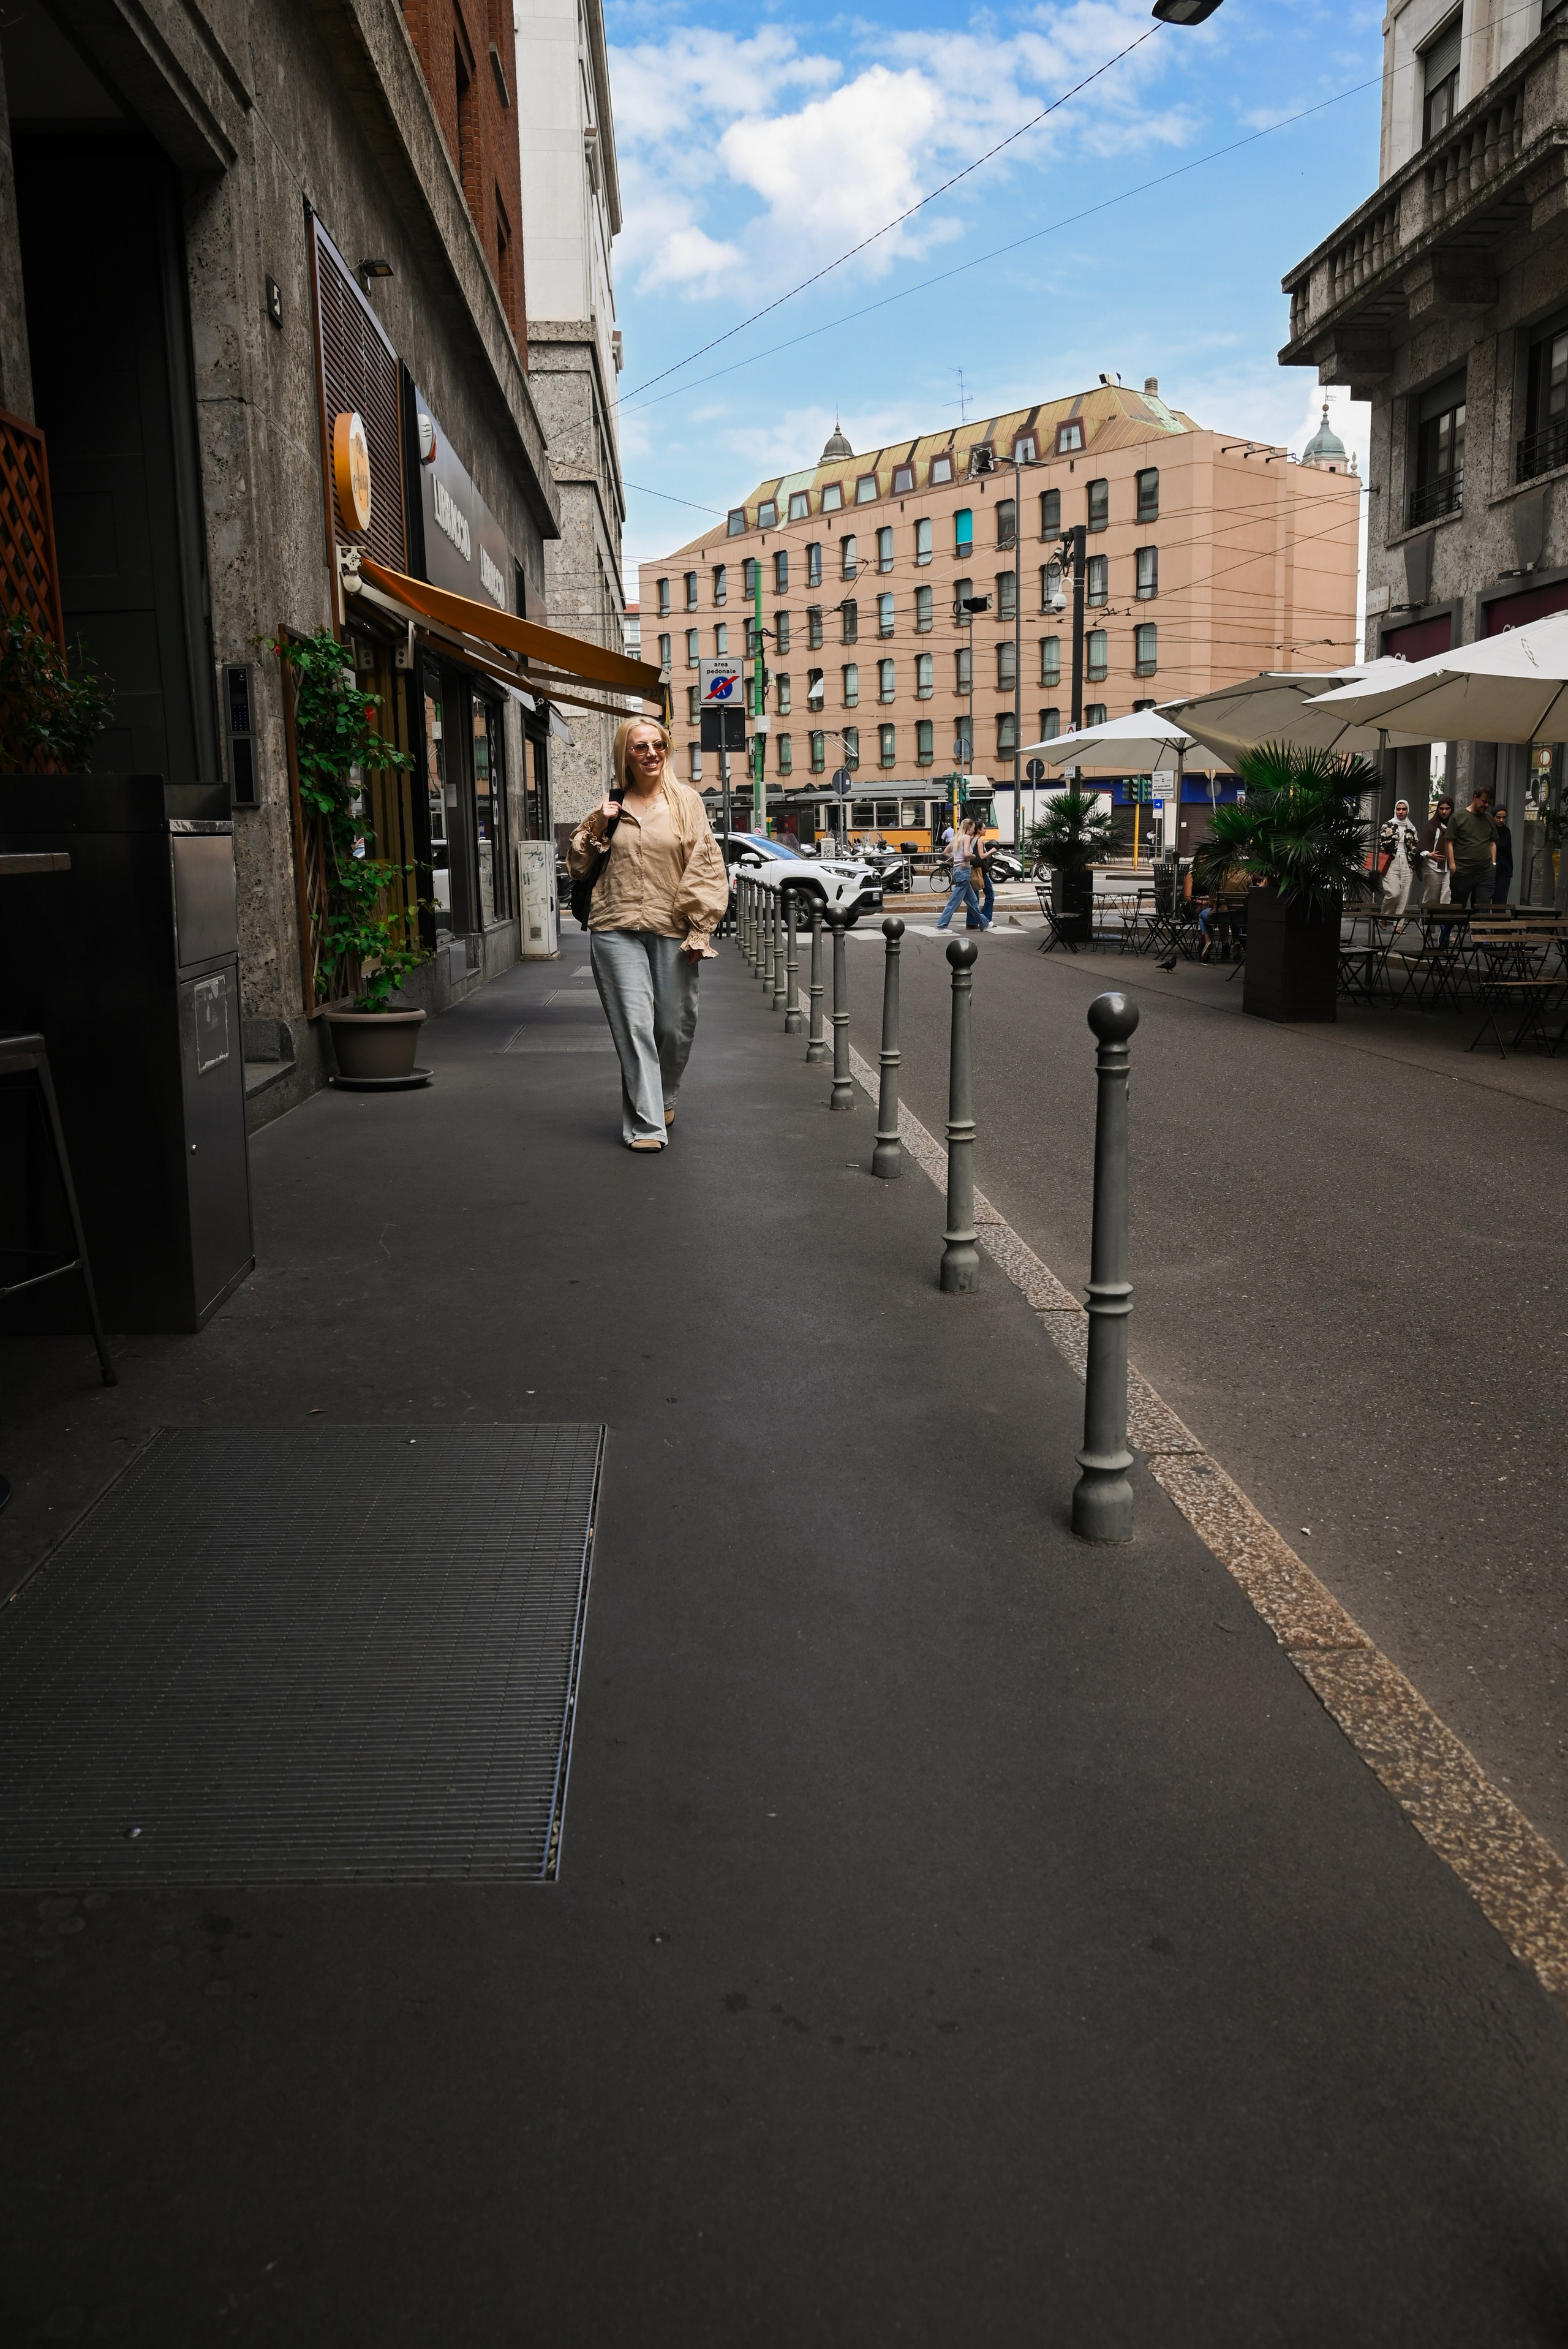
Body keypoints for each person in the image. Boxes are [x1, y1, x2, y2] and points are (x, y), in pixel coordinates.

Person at [567, 716, 729, 1151]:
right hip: (613, 924)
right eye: (641, 746)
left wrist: (700, 929)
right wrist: (599, 825)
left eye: (658, 745)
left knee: (675, 1024)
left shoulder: (687, 803)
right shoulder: (610, 805)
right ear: (626, 754)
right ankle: (646, 1125)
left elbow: (707, 866)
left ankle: (664, 1095)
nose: (652, 753)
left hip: (671, 926)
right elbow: (578, 867)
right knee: (634, 1025)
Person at [1446, 783, 1496, 910]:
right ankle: (1447, 929)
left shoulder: (1489, 818)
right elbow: (1449, 842)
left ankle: (1479, 929)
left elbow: (1492, 842)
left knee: (1483, 906)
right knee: (1457, 908)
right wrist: (1452, 865)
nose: (1486, 805)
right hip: (1463, 871)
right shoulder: (1458, 817)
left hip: (1485, 871)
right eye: (1484, 801)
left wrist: (1493, 863)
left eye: (1489, 803)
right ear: (1475, 797)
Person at [936, 816, 989, 930]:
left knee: (973, 901)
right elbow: (966, 853)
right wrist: (973, 856)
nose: (974, 830)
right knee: (954, 902)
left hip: (958, 871)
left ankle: (984, 923)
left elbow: (946, 852)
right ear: (969, 827)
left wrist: (956, 858)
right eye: (974, 828)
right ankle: (941, 925)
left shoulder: (957, 838)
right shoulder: (966, 837)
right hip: (964, 871)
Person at [1379, 799, 1420, 918]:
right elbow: (1381, 844)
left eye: (1404, 809)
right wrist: (1390, 843)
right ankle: (1384, 916)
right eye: (1398, 809)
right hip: (1391, 860)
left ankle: (1398, 925)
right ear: (1395, 810)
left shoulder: (1412, 828)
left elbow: (1415, 846)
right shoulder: (1388, 825)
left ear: (1408, 811)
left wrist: (1414, 862)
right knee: (1393, 893)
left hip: (1407, 862)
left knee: (1404, 895)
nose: (1401, 812)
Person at [1419, 795, 1453, 906]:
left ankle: (1443, 922)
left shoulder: (1455, 826)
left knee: (1446, 897)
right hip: (1432, 866)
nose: (1444, 812)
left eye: (1447, 809)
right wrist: (1429, 855)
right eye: (1441, 808)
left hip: (1449, 867)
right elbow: (1421, 846)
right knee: (1431, 898)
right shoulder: (1431, 826)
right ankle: (1426, 923)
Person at [967, 827, 996, 930]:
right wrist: (991, 851)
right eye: (984, 828)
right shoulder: (979, 840)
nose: (986, 830)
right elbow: (982, 856)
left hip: (973, 870)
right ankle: (986, 920)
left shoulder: (970, 839)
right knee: (990, 894)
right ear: (979, 830)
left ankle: (972, 922)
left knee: (974, 897)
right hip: (980, 871)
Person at [1492, 801, 1515, 906]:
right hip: (1488, 868)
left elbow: (1508, 852)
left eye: (1504, 817)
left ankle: (1498, 921)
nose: (1502, 820)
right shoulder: (1489, 830)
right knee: (1484, 899)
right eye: (1498, 817)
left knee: (1501, 900)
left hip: (1503, 869)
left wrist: (1510, 870)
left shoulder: (1506, 831)